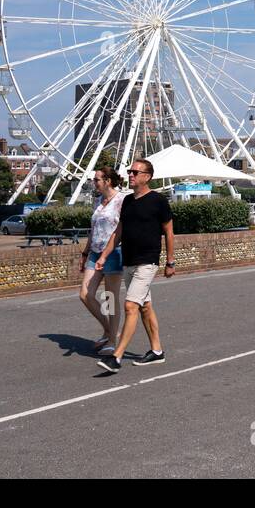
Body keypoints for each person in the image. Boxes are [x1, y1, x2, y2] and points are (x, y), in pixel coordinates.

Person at [94, 158, 174, 373]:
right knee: (145, 306)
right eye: (130, 171)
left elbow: (168, 232)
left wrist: (170, 261)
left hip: (147, 262)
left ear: (147, 177)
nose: (131, 175)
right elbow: (118, 232)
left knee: (131, 306)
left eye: (136, 172)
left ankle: (116, 356)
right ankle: (157, 351)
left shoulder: (158, 200)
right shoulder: (128, 201)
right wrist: (103, 256)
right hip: (128, 261)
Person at [81, 167, 126, 355]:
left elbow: (122, 228)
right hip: (94, 252)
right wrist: (85, 252)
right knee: (85, 294)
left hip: (113, 252)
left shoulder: (121, 201)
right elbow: (93, 229)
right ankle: (109, 329)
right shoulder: (98, 201)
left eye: (97, 179)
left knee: (110, 298)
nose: (94, 182)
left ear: (107, 181)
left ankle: (112, 342)